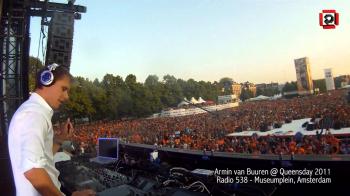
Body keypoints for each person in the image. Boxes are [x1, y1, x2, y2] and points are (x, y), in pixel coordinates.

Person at [8, 63, 95, 196]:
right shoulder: (34, 114)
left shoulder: (33, 112)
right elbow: (33, 171)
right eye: (63, 89)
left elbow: (43, 158)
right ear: (46, 80)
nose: (67, 97)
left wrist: (60, 140)